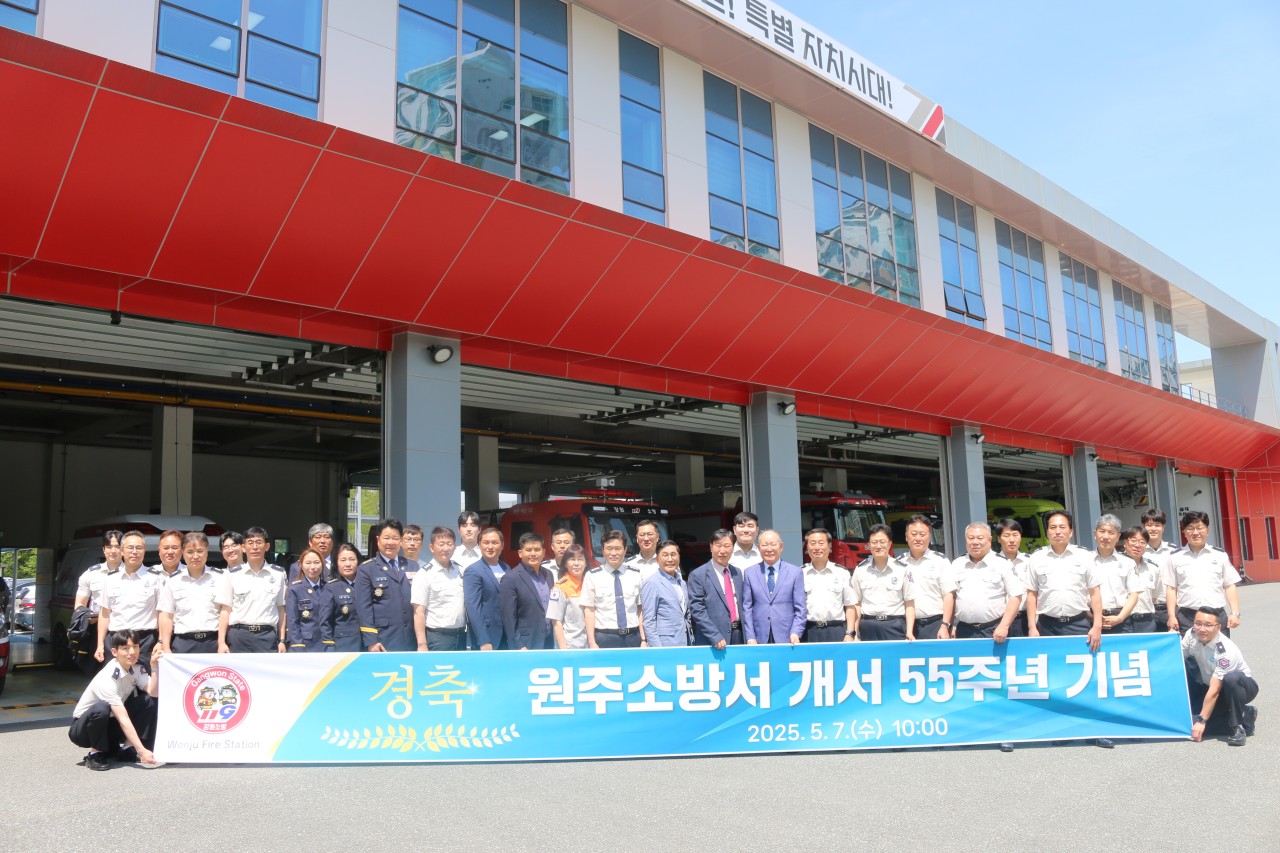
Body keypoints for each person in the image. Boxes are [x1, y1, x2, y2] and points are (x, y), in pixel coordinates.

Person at [950, 521, 1024, 753]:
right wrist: (949, 624)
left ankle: (1005, 732)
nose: (975, 542)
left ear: (990, 540)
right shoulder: (957, 564)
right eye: (971, 538)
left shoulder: (1001, 564)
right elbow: (950, 596)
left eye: (980, 538)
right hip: (965, 631)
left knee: (998, 682)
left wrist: (1004, 625)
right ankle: (972, 730)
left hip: (994, 631)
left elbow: (1016, 596)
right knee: (968, 682)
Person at [69, 629, 163, 770]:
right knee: (102, 708)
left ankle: (126, 749)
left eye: (135, 646)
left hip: (109, 724)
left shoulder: (137, 668)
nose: (132, 652)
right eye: (125, 648)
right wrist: (142, 750)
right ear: (114, 652)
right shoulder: (107, 677)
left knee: (147, 701)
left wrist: (154, 668)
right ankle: (94, 754)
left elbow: (154, 693)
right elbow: (122, 717)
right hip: (83, 730)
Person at [1025, 510, 1103, 652]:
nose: (1058, 532)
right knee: (1049, 663)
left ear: (1071, 532)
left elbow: (1095, 593)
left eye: (1062, 527)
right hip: (1046, 625)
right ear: (1047, 532)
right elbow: (1031, 594)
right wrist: (1032, 627)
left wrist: (1097, 626)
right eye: (1053, 527)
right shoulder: (1036, 557)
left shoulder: (1084, 556)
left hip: (1078, 623)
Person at [1183, 606, 1259, 747]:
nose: (1202, 629)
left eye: (1208, 625)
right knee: (1188, 725)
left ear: (1218, 627)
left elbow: (1215, 689)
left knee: (1231, 678)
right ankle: (1245, 715)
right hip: (1209, 687)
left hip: (1238, 688)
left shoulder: (1225, 651)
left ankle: (1237, 727)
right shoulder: (1191, 634)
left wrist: (1202, 721)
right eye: (1198, 623)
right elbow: (1177, 659)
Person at [1165, 510, 1241, 635]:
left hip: (1216, 616)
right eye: (1190, 528)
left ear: (1207, 530)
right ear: (1184, 531)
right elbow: (1171, 589)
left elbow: (1229, 585)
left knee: (1219, 648)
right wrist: (1171, 616)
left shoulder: (1220, 555)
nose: (1195, 532)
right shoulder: (1174, 557)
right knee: (1188, 648)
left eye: (1199, 528)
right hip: (1187, 618)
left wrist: (1235, 613)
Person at [96, 530, 162, 669]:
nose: (134, 552)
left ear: (144, 551)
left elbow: (162, 613)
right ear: (122, 550)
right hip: (117, 640)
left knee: (145, 680)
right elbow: (105, 613)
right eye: (130, 548)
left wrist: (161, 641)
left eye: (139, 548)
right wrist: (100, 643)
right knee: (115, 681)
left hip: (144, 641)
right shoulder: (110, 578)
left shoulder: (156, 578)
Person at [216, 526, 287, 653]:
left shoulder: (278, 574)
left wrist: (282, 640)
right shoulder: (232, 574)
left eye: (259, 542)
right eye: (250, 543)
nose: (255, 547)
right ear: (243, 547)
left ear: (267, 546)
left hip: (266, 636)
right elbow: (225, 610)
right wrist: (221, 642)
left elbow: (281, 608)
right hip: (239, 635)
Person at [354, 519, 414, 652]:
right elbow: (364, 609)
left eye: (395, 538)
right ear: (378, 540)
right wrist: (371, 640)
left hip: (412, 638)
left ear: (401, 541)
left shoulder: (412, 565)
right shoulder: (366, 569)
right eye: (386, 538)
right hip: (383, 639)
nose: (390, 542)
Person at [580, 530, 646, 648]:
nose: (613, 553)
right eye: (609, 548)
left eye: (618, 548)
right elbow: (589, 610)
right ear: (603, 550)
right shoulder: (592, 576)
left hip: (633, 637)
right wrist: (591, 642)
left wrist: (643, 639)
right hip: (605, 638)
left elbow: (640, 609)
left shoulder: (636, 574)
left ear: (625, 550)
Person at [158, 532, 220, 654]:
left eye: (200, 551)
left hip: (213, 641)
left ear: (207, 552)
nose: (195, 556)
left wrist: (222, 642)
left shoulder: (219, 577)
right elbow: (166, 616)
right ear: (183, 553)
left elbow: (225, 612)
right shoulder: (173, 580)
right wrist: (166, 647)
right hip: (183, 643)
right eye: (190, 552)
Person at [741, 529, 806, 645]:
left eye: (773, 544)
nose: (769, 549)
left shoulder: (795, 572)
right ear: (758, 547)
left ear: (781, 546)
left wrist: (796, 632)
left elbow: (800, 608)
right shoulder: (750, 573)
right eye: (764, 545)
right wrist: (750, 636)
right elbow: (747, 607)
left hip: (787, 636)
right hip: (759, 636)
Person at [850, 524, 914, 641]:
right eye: (874, 542)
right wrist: (854, 632)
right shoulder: (860, 569)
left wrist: (909, 632)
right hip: (868, 626)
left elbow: (909, 603)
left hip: (894, 625)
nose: (878, 546)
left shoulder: (902, 569)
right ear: (868, 545)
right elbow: (856, 604)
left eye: (882, 542)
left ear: (889, 544)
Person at [72, 529, 123, 673]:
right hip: (96, 629)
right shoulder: (91, 574)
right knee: (96, 672)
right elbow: (79, 605)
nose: (113, 551)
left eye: (117, 546)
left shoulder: (132, 574)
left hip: (122, 628)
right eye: (109, 547)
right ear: (103, 549)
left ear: (123, 549)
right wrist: (88, 617)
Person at [898, 515, 954, 640]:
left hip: (935, 625)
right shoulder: (899, 563)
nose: (918, 538)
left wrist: (945, 625)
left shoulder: (940, 561)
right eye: (914, 534)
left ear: (929, 537)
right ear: (906, 536)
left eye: (922, 534)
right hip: (906, 626)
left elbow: (948, 595)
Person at [687, 529, 745, 648]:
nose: (722, 551)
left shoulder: (737, 572)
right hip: (713, 639)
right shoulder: (698, 575)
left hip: (738, 634)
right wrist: (714, 635)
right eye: (718, 546)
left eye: (727, 546)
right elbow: (697, 609)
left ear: (733, 548)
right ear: (711, 547)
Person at [412, 527, 468, 651]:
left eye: (450, 544)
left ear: (455, 546)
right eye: (441, 544)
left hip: (461, 635)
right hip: (438, 637)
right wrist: (422, 644)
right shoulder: (424, 575)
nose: (446, 548)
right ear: (432, 547)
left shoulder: (461, 570)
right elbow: (418, 612)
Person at [499, 533, 556, 650]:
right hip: (526, 643)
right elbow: (508, 617)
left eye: (537, 549)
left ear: (544, 552)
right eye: (528, 550)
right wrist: (518, 645)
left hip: (549, 639)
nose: (533, 554)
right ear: (520, 553)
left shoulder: (548, 574)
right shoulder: (511, 578)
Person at [801, 528, 855, 642]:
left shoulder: (842, 573)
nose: (817, 547)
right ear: (807, 547)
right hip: (808, 631)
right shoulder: (800, 573)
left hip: (835, 630)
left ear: (829, 546)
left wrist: (850, 633)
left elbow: (850, 605)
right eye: (812, 543)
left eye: (821, 543)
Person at [1091, 514, 1141, 634]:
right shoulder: (1085, 561)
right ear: (1095, 534)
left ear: (1118, 536)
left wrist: (1120, 618)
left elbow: (1134, 594)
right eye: (1102, 531)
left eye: (1111, 532)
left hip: (1121, 621)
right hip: (1091, 620)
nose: (1106, 536)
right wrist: (1091, 616)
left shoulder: (1128, 562)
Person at [464, 527, 509, 650]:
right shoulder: (473, 571)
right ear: (479, 545)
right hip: (487, 636)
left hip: (507, 635)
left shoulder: (506, 568)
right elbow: (473, 608)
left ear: (502, 545)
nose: (490, 546)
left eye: (494, 542)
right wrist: (483, 640)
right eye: (486, 542)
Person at [641, 541, 689, 647]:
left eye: (673, 554)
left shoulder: (682, 583)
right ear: (657, 559)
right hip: (665, 644)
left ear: (679, 557)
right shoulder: (652, 583)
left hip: (685, 641)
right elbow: (649, 621)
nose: (670, 559)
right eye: (665, 555)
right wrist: (658, 650)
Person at [319, 543, 362, 652]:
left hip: (368, 645)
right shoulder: (331, 588)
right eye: (343, 560)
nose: (348, 564)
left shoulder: (365, 585)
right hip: (343, 646)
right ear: (336, 563)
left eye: (352, 559)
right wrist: (329, 647)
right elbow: (325, 622)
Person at [548, 544, 589, 649]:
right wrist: (564, 649)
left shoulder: (590, 584)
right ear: (565, 563)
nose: (576, 563)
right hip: (570, 646)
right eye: (572, 559)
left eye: (580, 559)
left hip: (591, 644)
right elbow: (556, 622)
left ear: (586, 563)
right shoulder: (559, 587)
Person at [286, 548, 327, 652]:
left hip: (327, 643)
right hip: (305, 645)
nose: (313, 567)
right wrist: (298, 646)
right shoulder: (295, 589)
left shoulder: (329, 587)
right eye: (308, 563)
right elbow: (292, 622)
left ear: (322, 564)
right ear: (301, 566)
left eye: (316, 562)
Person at [995, 518, 1031, 636]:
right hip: (999, 621)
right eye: (1006, 535)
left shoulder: (1030, 561)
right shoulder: (992, 563)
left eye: (1015, 535)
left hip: (1025, 619)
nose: (1012, 540)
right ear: (999, 538)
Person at [1141, 509, 1176, 631]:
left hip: (1171, 609)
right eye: (1149, 525)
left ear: (1163, 527)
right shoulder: (1136, 551)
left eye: (1157, 525)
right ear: (1143, 527)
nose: (1153, 529)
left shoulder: (1174, 551)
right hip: (1147, 610)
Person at [1120, 525, 1159, 633]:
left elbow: (1154, 597)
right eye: (1133, 541)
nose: (1137, 545)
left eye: (1142, 542)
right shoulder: (1115, 565)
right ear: (1125, 543)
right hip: (1121, 622)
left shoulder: (1153, 568)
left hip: (1146, 622)